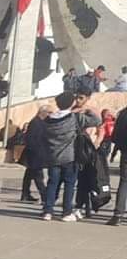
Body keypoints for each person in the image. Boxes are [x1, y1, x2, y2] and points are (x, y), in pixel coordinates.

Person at [42, 90, 101, 221]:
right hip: (69, 156)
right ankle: (66, 212)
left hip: (53, 156)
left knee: (52, 183)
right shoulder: (74, 118)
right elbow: (97, 121)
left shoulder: (48, 119)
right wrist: (88, 110)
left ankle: (48, 211)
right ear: (71, 103)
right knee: (69, 184)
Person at [19, 105, 52, 203]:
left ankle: (25, 194)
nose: (50, 115)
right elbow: (31, 139)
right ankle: (45, 196)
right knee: (38, 176)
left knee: (29, 175)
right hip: (35, 154)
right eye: (49, 112)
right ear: (43, 112)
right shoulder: (35, 123)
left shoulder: (41, 122)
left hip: (35, 154)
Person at [109, 104, 127, 224]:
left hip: (125, 151)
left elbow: (115, 136)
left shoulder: (123, 114)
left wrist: (116, 150)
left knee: (124, 182)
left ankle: (118, 214)